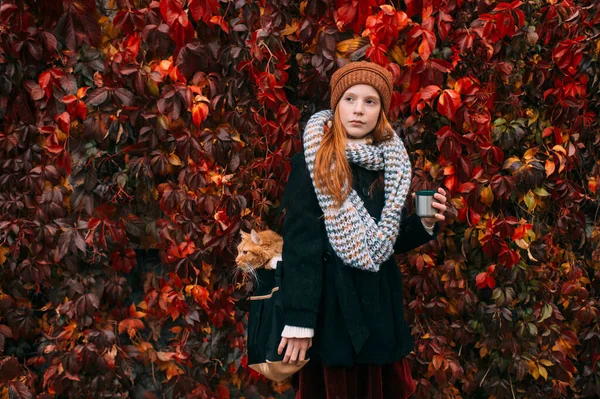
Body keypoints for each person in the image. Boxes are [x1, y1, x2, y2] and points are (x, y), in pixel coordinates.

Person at [276, 61, 449, 399]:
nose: (358, 110)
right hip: (331, 318)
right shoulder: (311, 164)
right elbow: (300, 248)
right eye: (349, 99)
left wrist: (426, 221)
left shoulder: (391, 164)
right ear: (336, 104)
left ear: (381, 110)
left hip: (379, 313)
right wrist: (299, 320)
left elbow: (384, 241)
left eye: (370, 101)